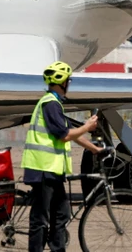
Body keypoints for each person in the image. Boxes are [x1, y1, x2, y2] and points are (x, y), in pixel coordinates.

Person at [23, 61, 101, 252]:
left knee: (61, 214)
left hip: (52, 170)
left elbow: (69, 131)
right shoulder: (50, 104)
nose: (69, 84)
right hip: (43, 168)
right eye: (68, 80)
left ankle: (58, 249)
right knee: (41, 219)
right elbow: (65, 135)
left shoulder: (54, 103)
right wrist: (88, 127)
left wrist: (94, 149)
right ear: (62, 82)